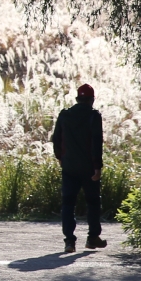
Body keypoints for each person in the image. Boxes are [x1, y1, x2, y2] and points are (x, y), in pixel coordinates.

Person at [51, 83, 106, 253]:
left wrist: (60, 157)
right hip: (89, 168)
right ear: (91, 100)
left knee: (68, 203)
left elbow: (56, 138)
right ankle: (92, 238)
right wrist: (97, 167)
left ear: (77, 98)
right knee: (93, 202)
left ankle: (69, 241)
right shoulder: (93, 116)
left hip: (69, 167)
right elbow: (96, 142)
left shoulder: (65, 115)